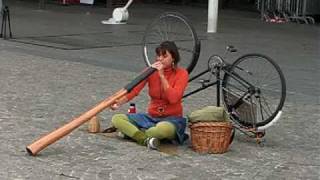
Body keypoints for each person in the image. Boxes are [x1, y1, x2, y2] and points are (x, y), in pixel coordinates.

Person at [110, 41, 189, 150]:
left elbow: (173, 98)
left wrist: (161, 76)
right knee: (117, 119)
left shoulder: (182, 73)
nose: (160, 59)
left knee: (159, 130)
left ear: (173, 58)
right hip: (151, 117)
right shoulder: (150, 71)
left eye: (164, 56)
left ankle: (134, 133)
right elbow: (134, 90)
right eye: (158, 55)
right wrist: (118, 103)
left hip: (172, 119)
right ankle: (145, 139)